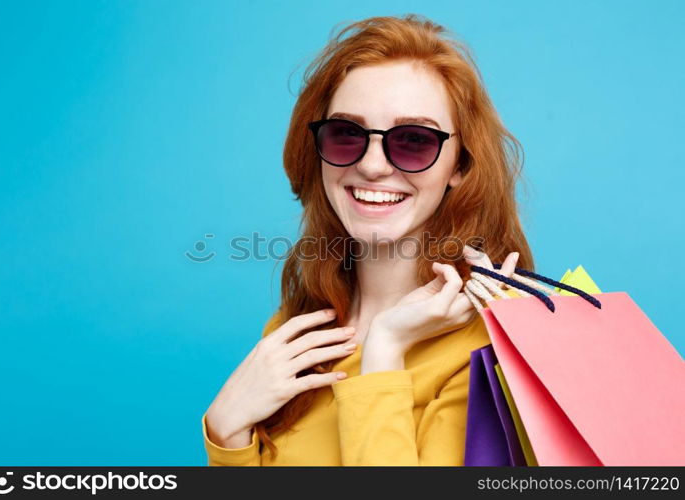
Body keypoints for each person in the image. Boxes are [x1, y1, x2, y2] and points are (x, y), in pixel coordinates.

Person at [201, 14, 533, 466]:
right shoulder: (295, 329)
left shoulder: (489, 350)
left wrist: (385, 348)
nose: (373, 166)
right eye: (346, 134)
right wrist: (228, 431)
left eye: (414, 140)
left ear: (460, 165)